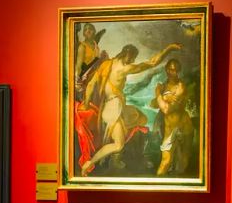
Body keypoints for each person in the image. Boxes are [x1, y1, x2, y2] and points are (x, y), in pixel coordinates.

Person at [77, 42, 182, 175]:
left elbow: (91, 84)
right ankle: (91, 162)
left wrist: (86, 103)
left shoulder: (106, 64)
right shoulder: (123, 69)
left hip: (114, 107)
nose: (132, 61)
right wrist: (169, 48)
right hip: (113, 109)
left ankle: (116, 157)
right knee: (118, 144)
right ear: (128, 55)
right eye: (132, 58)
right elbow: (152, 63)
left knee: (140, 118)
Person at [151, 58, 195, 176]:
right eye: (171, 70)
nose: (173, 73)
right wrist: (164, 98)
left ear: (179, 71)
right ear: (166, 70)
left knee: (182, 166)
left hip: (184, 127)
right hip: (169, 129)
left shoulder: (180, 87)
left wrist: (158, 94)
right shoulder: (164, 86)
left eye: (176, 70)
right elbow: (153, 104)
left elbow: (166, 109)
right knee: (165, 162)